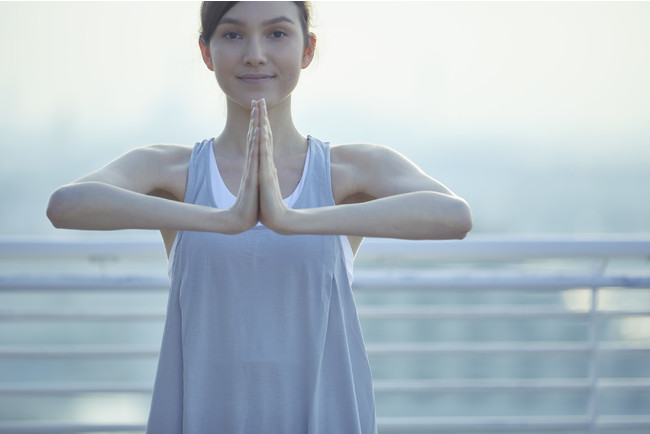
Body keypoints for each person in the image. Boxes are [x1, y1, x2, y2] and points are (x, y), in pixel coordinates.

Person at [47, 2, 472, 433]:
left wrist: (290, 219)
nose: (254, 53)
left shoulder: (350, 170)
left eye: (277, 34)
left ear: (307, 50)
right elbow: (66, 206)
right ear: (206, 52)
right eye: (232, 34)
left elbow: (453, 217)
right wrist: (222, 219)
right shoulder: (170, 170)